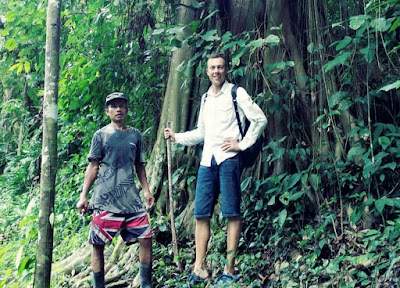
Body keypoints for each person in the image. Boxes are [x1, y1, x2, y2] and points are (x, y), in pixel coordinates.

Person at [164, 54, 267, 287]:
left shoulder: (236, 93)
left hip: (229, 159)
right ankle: (199, 267)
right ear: (207, 71)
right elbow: (201, 132)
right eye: (212, 67)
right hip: (206, 162)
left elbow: (260, 119)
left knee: (231, 212)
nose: (216, 71)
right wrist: (176, 137)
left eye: (220, 67)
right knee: (201, 214)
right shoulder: (205, 98)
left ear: (226, 69)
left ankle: (229, 269)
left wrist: (241, 144)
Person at [77, 92, 155, 288]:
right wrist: (83, 195)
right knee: (97, 244)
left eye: (121, 105)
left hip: (131, 198)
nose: (118, 109)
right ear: (107, 112)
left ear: (127, 109)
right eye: (114, 106)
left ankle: (146, 284)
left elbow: (140, 165)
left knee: (146, 236)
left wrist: (147, 191)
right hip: (105, 199)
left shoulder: (135, 135)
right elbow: (93, 166)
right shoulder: (101, 135)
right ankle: (98, 285)